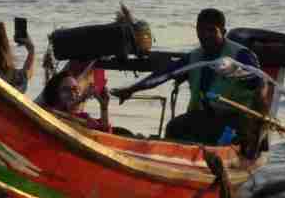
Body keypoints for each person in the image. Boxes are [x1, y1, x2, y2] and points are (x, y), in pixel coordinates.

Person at [115, 8, 269, 149]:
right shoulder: (194, 57)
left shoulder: (240, 55)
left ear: (223, 31)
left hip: (237, 119)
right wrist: (132, 90)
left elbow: (261, 85)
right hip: (205, 116)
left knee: (221, 137)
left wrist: (258, 127)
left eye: (211, 30)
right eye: (201, 30)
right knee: (174, 127)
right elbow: (163, 75)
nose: (205, 35)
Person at [39, 68, 112, 132]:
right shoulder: (45, 112)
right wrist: (82, 98)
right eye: (66, 90)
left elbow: (104, 133)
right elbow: (50, 112)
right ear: (55, 94)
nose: (72, 94)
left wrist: (104, 107)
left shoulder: (83, 117)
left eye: (75, 89)